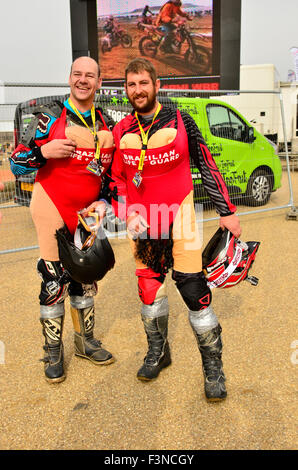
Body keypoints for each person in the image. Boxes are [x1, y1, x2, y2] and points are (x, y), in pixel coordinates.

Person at [85, 58, 242, 402]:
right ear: (125, 90)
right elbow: (115, 180)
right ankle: (159, 352)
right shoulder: (121, 129)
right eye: (131, 85)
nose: (137, 90)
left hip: (180, 215)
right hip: (142, 218)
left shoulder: (181, 120)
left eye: (143, 83)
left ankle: (214, 370)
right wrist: (125, 212)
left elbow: (206, 162)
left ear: (156, 84)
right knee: (148, 290)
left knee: (193, 293)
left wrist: (226, 211)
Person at [10, 56, 116, 384]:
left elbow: (112, 175)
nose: (83, 80)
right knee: (54, 280)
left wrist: (105, 201)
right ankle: (53, 350)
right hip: (51, 206)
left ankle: (85, 343)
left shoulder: (106, 121)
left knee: (84, 277)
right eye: (77, 74)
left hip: (87, 213)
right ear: (69, 78)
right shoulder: (49, 117)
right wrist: (44, 153)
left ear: (99, 82)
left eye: (90, 75)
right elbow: (16, 164)